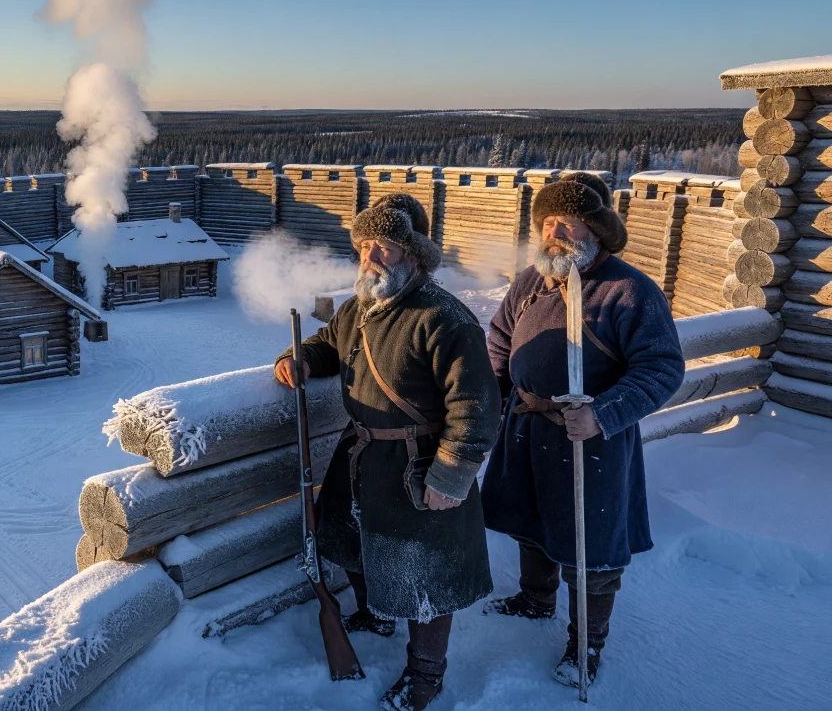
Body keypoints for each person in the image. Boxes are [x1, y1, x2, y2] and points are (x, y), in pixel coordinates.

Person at [273, 194, 500, 711]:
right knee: (348, 539)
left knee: (425, 578)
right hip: (362, 457)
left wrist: (448, 476)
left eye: (386, 247)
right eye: (364, 246)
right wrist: (299, 359)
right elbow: (329, 345)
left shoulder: (444, 318)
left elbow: (477, 406)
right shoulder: (358, 307)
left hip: (418, 465)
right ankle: (374, 613)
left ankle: (425, 677)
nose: (371, 256)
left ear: (414, 257)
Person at [481, 175, 684, 687]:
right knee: (530, 519)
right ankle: (535, 599)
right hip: (528, 426)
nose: (555, 232)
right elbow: (501, 340)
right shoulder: (532, 280)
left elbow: (662, 368)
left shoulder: (629, 289)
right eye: (548, 222)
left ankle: (586, 646)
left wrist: (603, 414)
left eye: (567, 222)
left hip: (590, 441)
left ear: (596, 227)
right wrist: (496, 394)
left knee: (589, 545)